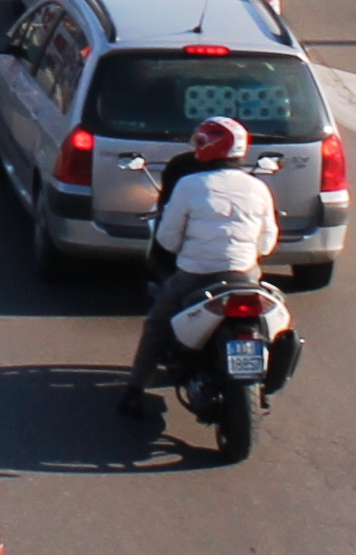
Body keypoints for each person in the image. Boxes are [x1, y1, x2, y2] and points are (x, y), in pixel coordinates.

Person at [114, 120, 289, 416]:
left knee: (157, 324)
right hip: (245, 277)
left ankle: (135, 390)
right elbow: (268, 243)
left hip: (194, 277)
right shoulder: (259, 188)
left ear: (210, 146)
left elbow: (168, 240)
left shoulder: (189, 185)